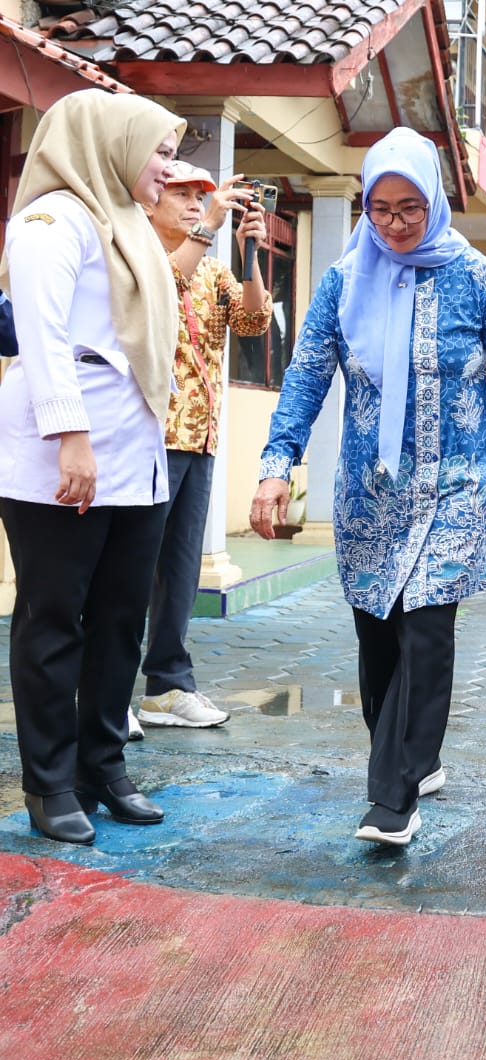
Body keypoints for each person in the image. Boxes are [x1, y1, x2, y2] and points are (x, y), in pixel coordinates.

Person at [251, 127, 486, 847]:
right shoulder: (342, 280)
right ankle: (414, 757)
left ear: (435, 200)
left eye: (409, 207)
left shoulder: (480, 279)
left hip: (458, 484)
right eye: (380, 208)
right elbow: (306, 377)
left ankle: (393, 796)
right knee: (379, 638)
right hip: (371, 490)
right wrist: (275, 464)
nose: (393, 223)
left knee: (424, 628)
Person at [0, 89, 184, 845]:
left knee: (120, 619)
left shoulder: (128, 224)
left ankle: (102, 766)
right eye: (159, 152)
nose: (167, 168)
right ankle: (49, 782)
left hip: (134, 457)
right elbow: (43, 334)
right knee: (53, 619)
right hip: (64, 455)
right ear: (110, 144)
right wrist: (70, 434)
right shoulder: (52, 220)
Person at [131, 161, 271, 738]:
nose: (195, 203)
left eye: (202, 196)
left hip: (200, 438)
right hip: (144, 437)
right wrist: (208, 228)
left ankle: (166, 686)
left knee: (180, 570)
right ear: (148, 200)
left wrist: (250, 253)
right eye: (182, 193)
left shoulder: (212, 268)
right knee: (127, 569)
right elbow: (156, 296)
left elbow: (254, 322)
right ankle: (106, 692)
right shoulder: (136, 255)